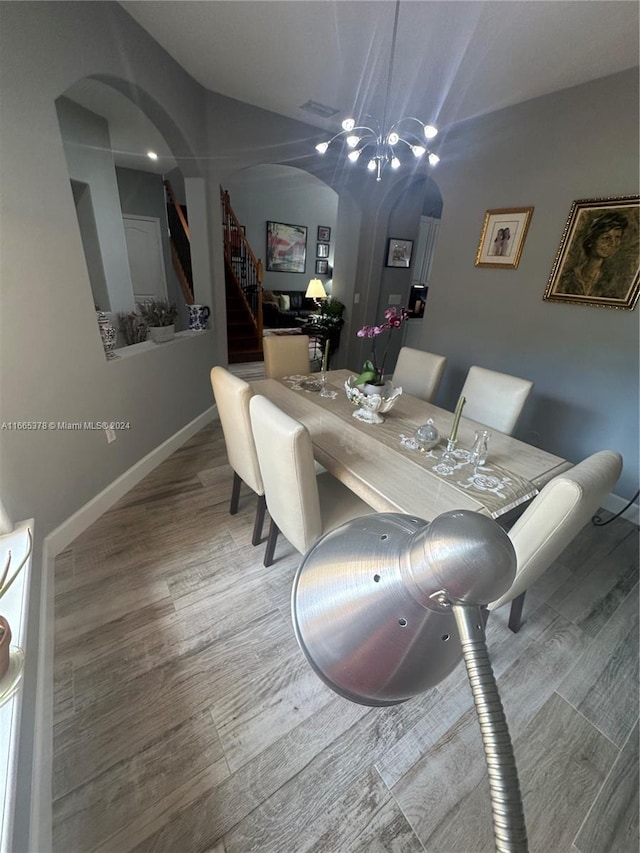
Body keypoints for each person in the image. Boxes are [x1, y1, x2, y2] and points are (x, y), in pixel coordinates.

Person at [556, 211, 630, 299]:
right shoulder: (568, 277)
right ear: (591, 240)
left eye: (617, 237)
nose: (613, 243)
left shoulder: (615, 279)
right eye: (606, 238)